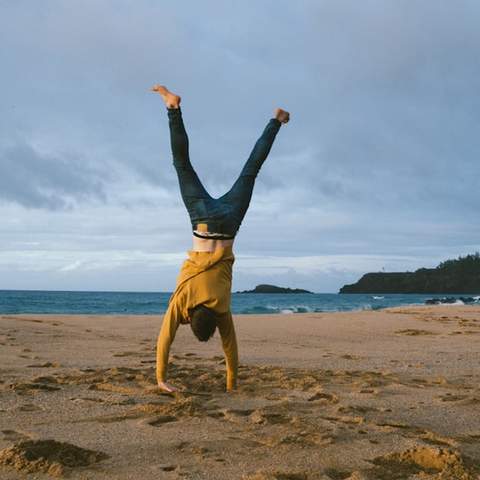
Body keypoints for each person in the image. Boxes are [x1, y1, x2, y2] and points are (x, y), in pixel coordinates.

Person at [151, 85, 290, 392]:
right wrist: (161, 379)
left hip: (229, 223)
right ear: (189, 317)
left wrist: (232, 384)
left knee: (250, 171)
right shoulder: (182, 301)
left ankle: (276, 121)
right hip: (201, 221)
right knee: (182, 164)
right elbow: (164, 339)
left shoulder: (223, 309)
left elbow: (231, 350)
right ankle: (173, 109)